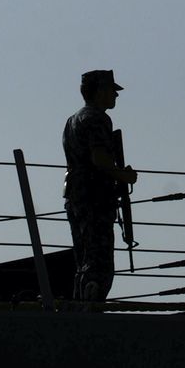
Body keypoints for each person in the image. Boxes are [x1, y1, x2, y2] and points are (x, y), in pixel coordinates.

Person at [62, 70, 137, 302]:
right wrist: (123, 176)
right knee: (100, 261)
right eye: (111, 90)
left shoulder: (71, 121)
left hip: (76, 196)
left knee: (84, 257)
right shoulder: (97, 118)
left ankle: (80, 303)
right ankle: (92, 303)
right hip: (96, 196)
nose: (115, 94)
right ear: (99, 92)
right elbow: (99, 158)